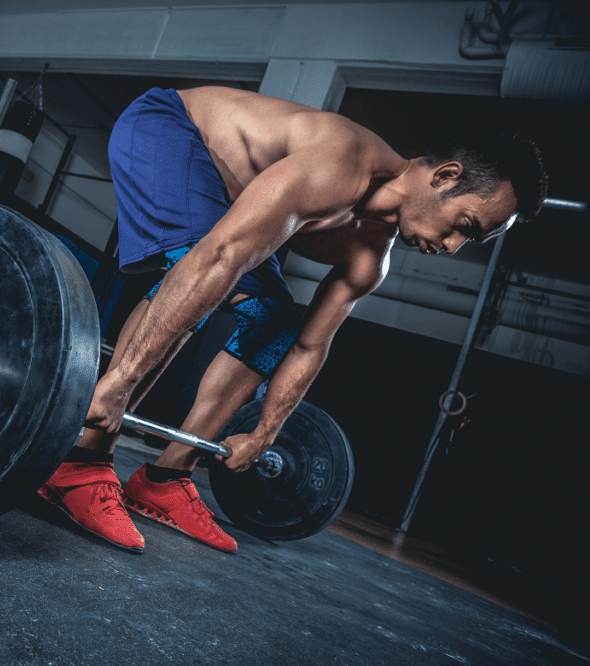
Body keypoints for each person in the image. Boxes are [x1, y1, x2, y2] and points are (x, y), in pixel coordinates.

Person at [36, 86, 547, 553]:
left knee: (273, 322)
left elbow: (307, 346)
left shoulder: (370, 258)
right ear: (446, 177)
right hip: (169, 128)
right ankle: (79, 462)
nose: (453, 248)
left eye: (470, 242)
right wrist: (120, 383)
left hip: (215, 202)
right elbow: (220, 255)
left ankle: (165, 478)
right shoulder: (339, 167)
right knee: (204, 268)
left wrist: (264, 433)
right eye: (463, 226)